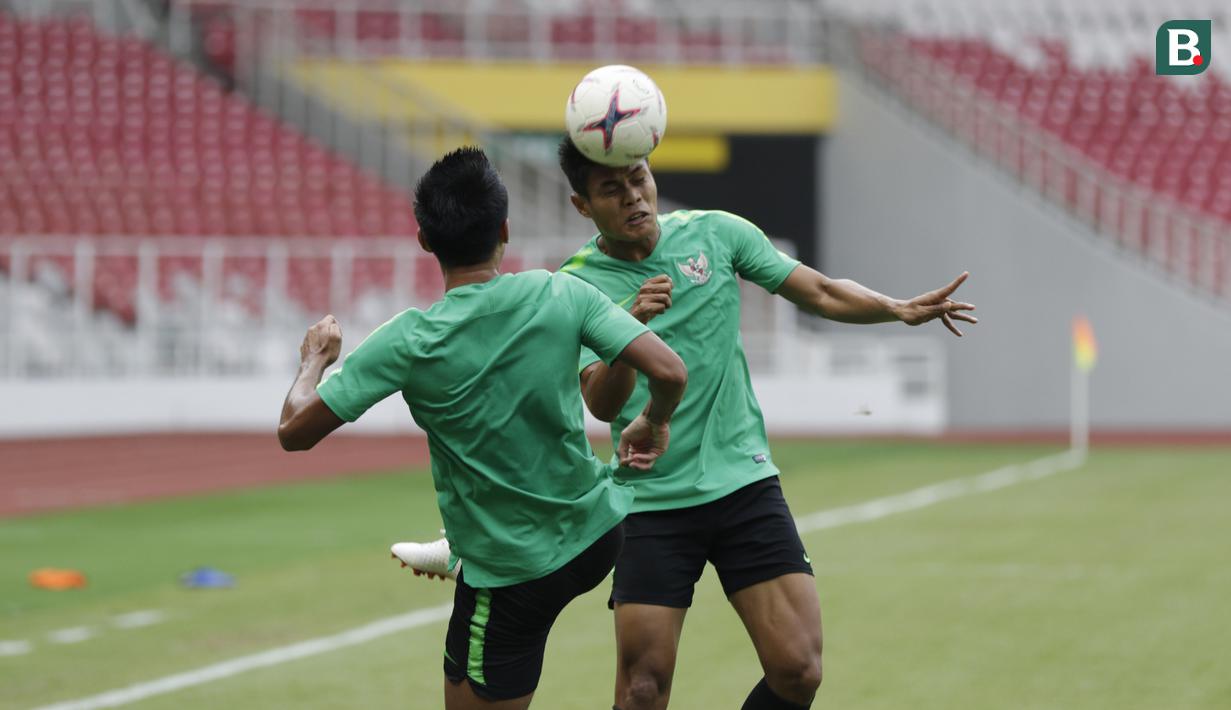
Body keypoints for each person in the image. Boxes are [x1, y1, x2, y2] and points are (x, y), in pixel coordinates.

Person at [396, 137, 977, 710]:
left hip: (743, 482)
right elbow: (599, 403)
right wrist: (627, 332)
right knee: (643, 690)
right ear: (582, 205)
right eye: (611, 190)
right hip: (650, 500)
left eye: (639, 179)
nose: (634, 198)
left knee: (798, 669)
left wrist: (896, 308)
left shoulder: (717, 234)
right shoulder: (575, 286)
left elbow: (819, 291)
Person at [277, 146, 688, 710]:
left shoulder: (409, 340)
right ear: (505, 229)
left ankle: (472, 553)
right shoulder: (560, 291)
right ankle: (463, 549)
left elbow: (294, 429)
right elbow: (669, 370)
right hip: (598, 535)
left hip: (515, 574)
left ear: (424, 241)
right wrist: (650, 423)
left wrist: (315, 358)